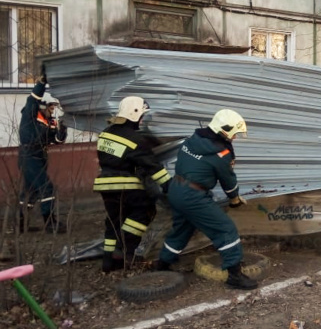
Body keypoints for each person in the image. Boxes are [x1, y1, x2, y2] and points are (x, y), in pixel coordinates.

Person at [154, 109, 256, 290]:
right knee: (226, 229)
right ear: (224, 130)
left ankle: (162, 265)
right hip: (193, 196)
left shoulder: (191, 140)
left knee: (182, 229)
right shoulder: (221, 154)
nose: (235, 138)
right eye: (234, 134)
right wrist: (234, 199)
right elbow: (228, 180)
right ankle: (235, 275)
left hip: (175, 189)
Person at [93, 96, 171, 273]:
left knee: (113, 221)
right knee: (144, 211)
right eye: (142, 116)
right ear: (134, 114)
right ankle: (124, 251)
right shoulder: (135, 139)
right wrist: (169, 186)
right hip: (125, 184)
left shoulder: (106, 132)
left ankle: (108, 261)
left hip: (104, 185)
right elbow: (153, 167)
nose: (143, 120)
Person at [18, 70, 67, 234]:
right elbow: (32, 99)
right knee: (47, 188)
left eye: (54, 107)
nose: (53, 110)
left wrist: (64, 126)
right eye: (51, 107)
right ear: (42, 105)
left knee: (31, 191)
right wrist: (42, 83)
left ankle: (21, 224)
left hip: (40, 156)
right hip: (29, 156)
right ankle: (49, 223)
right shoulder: (30, 114)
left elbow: (57, 140)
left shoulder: (50, 120)